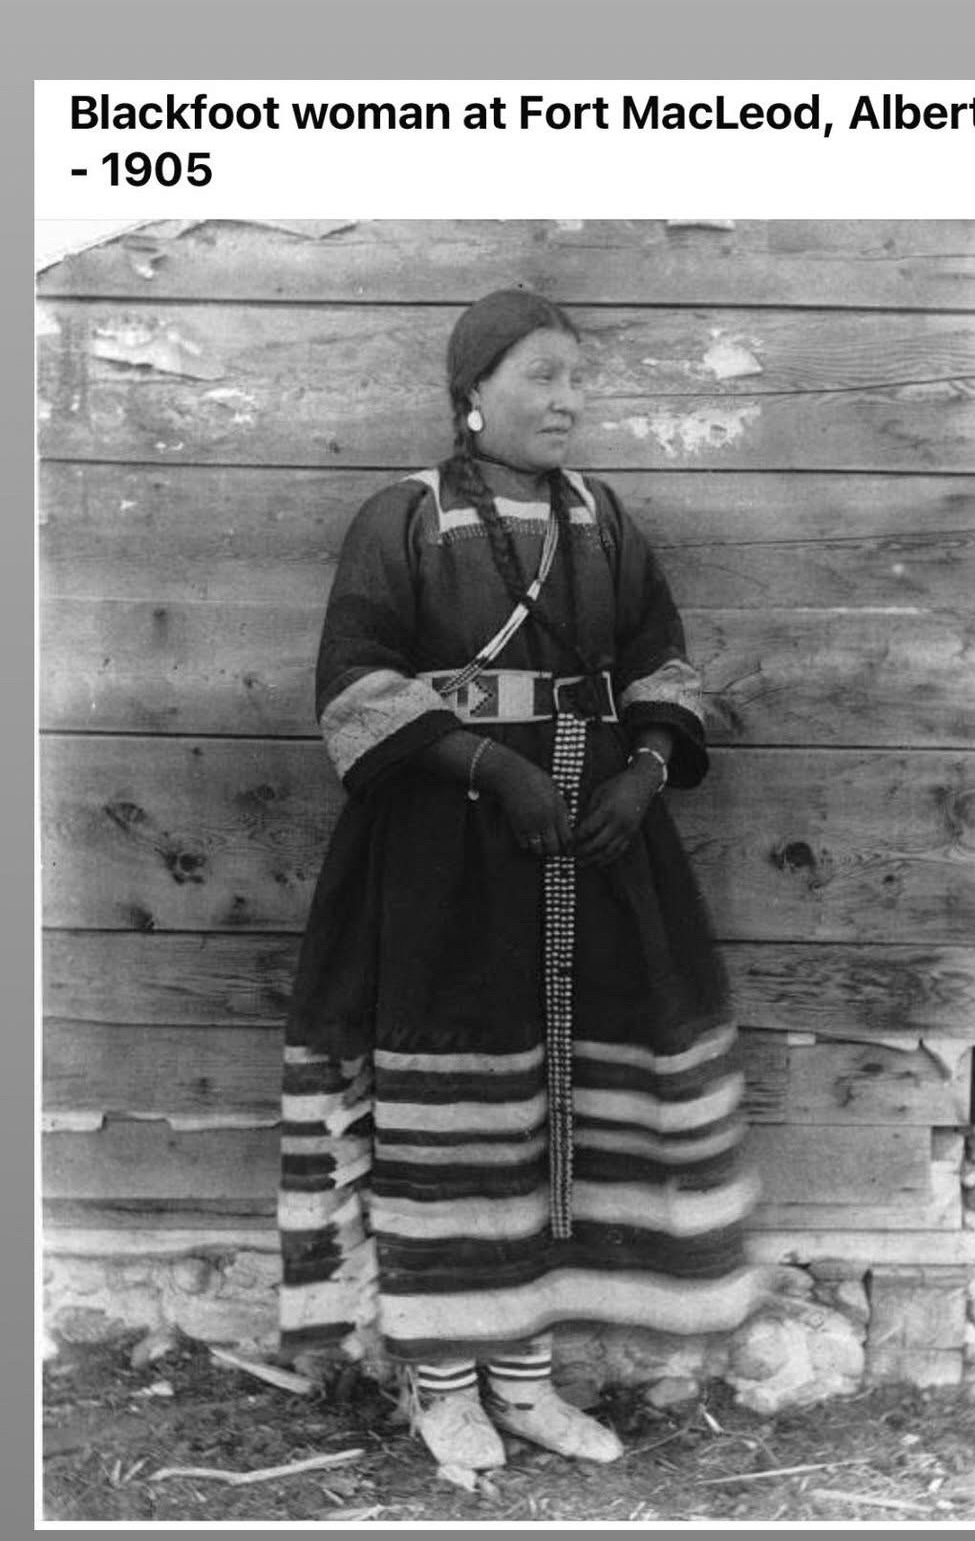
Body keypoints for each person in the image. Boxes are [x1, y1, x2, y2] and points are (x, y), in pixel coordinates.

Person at [278, 288, 758, 1471]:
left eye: (577, 377)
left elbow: (661, 659)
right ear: (472, 394)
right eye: (541, 374)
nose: (567, 399)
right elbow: (355, 686)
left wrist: (645, 771)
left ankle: (527, 1379)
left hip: (594, 847)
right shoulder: (406, 519)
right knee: (459, 1112)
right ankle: (443, 1383)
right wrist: (493, 766)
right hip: (445, 856)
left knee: (560, 1108)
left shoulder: (602, 519)